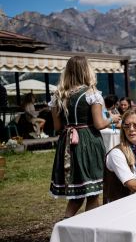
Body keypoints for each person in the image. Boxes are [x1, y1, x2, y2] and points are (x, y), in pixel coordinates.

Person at [49, 56, 121, 218]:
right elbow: (99, 124)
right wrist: (112, 119)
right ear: (87, 71)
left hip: (66, 143)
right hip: (88, 142)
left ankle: (65, 226)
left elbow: (57, 127)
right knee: (92, 191)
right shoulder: (91, 94)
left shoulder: (57, 96)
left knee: (78, 192)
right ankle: (88, 228)